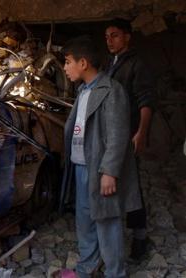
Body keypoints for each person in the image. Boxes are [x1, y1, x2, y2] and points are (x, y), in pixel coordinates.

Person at [60, 36, 142, 277]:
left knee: (107, 221)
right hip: (81, 166)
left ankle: (115, 273)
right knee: (84, 220)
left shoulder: (111, 90)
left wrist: (109, 171)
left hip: (99, 169)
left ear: (83, 63)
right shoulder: (83, 91)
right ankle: (88, 266)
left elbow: (118, 135)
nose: (65, 68)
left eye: (67, 62)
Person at [104, 18, 155, 259]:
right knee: (114, 181)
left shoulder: (137, 64)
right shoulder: (110, 64)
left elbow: (146, 102)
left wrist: (141, 133)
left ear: (127, 37)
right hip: (112, 134)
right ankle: (114, 235)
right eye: (107, 36)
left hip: (129, 133)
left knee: (131, 187)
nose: (110, 40)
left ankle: (140, 238)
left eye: (115, 35)